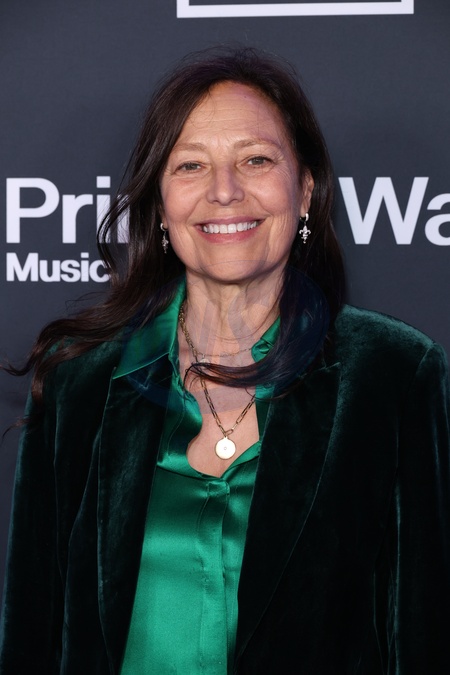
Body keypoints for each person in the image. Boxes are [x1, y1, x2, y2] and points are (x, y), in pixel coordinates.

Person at [0, 47, 449, 675]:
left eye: (256, 159)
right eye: (191, 165)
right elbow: (30, 642)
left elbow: (423, 639)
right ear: (160, 206)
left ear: (305, 191)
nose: (224, 190)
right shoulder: (79, 381)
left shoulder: (393, 375)